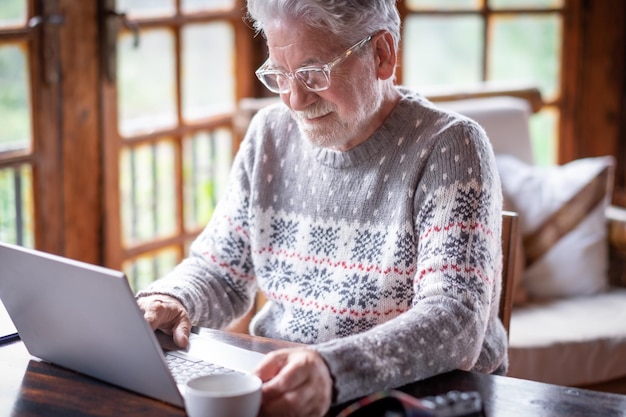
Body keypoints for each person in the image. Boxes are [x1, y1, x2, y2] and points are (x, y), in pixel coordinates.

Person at [136, 0, 508, 416]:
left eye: (314, 74)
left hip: (415, 400)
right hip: (286, 385)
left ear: (382, 54)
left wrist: (332, 372)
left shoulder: (450, 146)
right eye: (279, 75)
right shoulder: (269, 135)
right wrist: (173, 296)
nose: (294, 99)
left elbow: (455, 320)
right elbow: (221, 270)